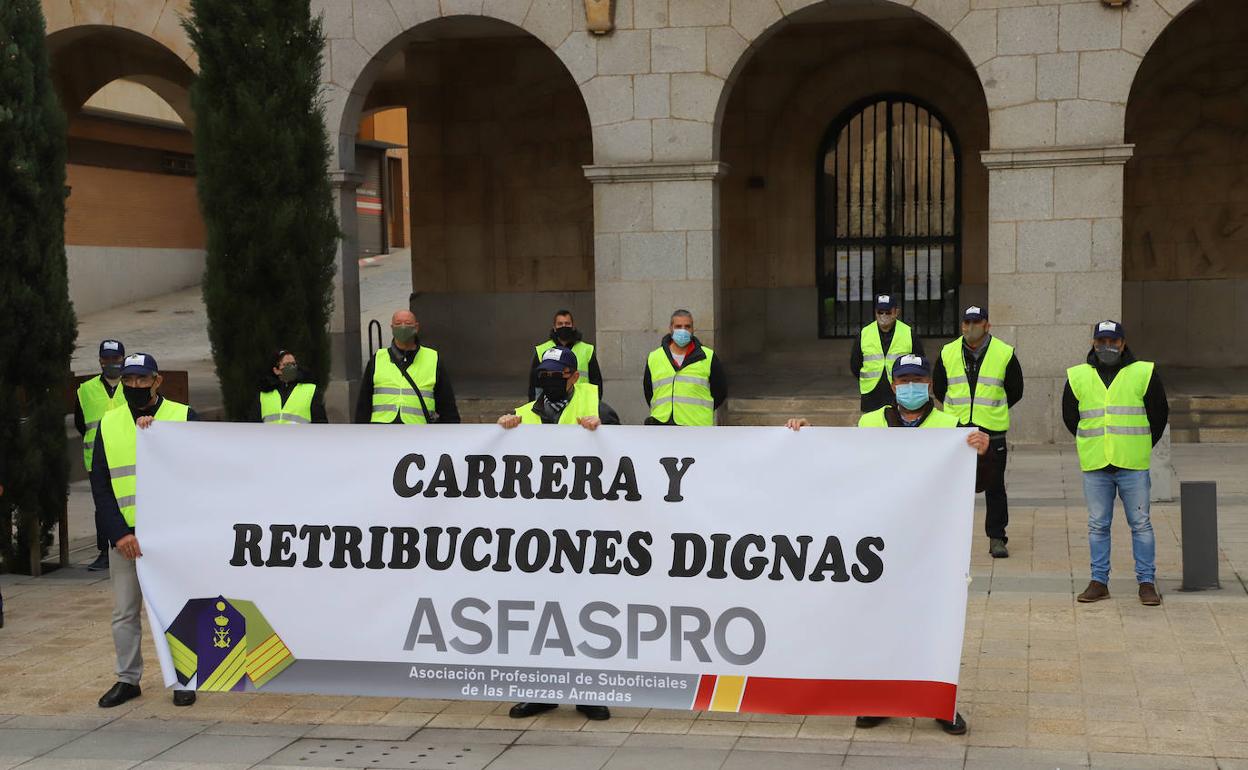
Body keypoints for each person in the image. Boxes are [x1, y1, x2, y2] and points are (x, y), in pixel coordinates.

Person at [787, 353, 984, 736]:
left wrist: (983, 451)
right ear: (894, 385)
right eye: (904, 380)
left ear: (930, 383)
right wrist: (808, 437)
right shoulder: (871, 421)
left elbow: (976, 483)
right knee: (877, 622)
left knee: (935, 623)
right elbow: (845, 462)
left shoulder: (951, 426)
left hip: (932, 544)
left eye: (919, 379)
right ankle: (877, 700)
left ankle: (939, 703)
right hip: (880, 542)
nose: (912, 386)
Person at [499, 346, 616, 722]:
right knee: (537, 611)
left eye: (556, 374)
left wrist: (604, 434)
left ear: (574, 376)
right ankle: (540, 691)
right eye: (543, 374)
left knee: (585, 612)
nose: (548, 380)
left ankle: (588, 692)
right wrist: (501, 431)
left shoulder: (599, 408)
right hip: (536, 532)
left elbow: (627, 454)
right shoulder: (521, 415)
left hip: (584, 530)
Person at [91, 353, 198, 708]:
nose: (135, 386)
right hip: (126, 536)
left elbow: (200, 474)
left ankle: (185, 678)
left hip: (171, 535)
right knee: (124, 612)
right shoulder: (109, 423)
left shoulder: (182, 417)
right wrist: (119, 534)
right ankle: (127, 679)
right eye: (129, 380)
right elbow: (101, 486)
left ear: (157, 381)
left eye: (142, 379)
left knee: (177, 607)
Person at [1064, 321, 1169, 607]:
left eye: (1112, 341)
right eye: (1101, 341)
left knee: (1141, 524)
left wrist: (1140, 445)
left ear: (1123, 343)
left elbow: (1159, 413)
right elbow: (1070, 418)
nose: (1106, 346)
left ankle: (1146, 583)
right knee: (1098, 525)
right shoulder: (1077, 376)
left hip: (1132, 464)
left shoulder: (1143, 373)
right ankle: (1099, 582)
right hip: (1096, 463)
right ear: (1093, 343)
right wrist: (1093, 442)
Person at [932, 306, 1023, 559]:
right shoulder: (948, 352)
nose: (971, 326)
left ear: (987, 325)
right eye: (967, 322)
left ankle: (997, 537)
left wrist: (991, 411)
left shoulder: (1004, 353)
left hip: (991, 431)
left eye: (977, 321)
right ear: (961, 325)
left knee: (995, 487)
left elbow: (1015, 390)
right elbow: (940, 388)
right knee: (952, 488)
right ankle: (946, 537)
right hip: (957, 431)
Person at [75, 339, 128, 571]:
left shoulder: (132, 385)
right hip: (96, 457)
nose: (110, 363)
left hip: (127, 456)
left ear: (123, 359)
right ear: (100, 360)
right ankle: (104, 552)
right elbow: (80, 422)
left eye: (115, 359)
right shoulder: (86, 390)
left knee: (127, 503)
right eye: (106, 359)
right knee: (103, 504)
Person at [355, 309, 460, 425]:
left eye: (408, 324)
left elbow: (447, 406)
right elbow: (363, 405)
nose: (403, 327)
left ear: (416, 327)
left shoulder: (433, 358)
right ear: (392, 328)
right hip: (382, 433)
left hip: (418, 433)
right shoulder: (378, 359)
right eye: (398, 324)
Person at [642, 309, 727, 426]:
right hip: (662, 425)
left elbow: (720, 391)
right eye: (678, 326)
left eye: (687, 326)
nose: (683, 330)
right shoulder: (654, 357)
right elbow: (649, 392)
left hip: (696, 426)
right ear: (670, 329)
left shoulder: (708, 357)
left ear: (693, 329)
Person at [850, 294, 924, 413]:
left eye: (888, 312)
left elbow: (920, 363)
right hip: (871, 394)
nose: (883, 316)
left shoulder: (908, 332)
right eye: (880, 312)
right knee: (871, 428)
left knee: (898, 429)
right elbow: (855, 364)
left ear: (896, 312)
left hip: (900, 393)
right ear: (875, 312)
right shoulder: (865, 333)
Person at [528, 309, 603, 401]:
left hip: (581, 403)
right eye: (560, 324)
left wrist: (595, 404)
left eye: (567, 323)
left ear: (573, 326)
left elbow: (596, 382)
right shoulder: (542, 350)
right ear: (554, 328)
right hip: (550, 403)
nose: (564, 326)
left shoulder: (587, 350)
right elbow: (535, 385)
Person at [249, 349, 328, 424]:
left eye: (293, 364)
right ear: (276, 370)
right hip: (271, 438)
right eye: (287, 364)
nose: (291, 367)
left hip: (300, 438)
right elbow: (254, 426)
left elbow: (320, 425)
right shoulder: (263, 395)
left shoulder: (310, 391)